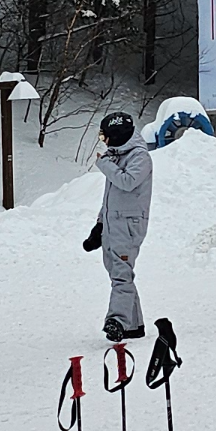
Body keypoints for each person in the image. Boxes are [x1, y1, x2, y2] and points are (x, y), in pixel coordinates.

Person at [84, 111, 155, 340]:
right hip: (112, 223)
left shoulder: (139, 157)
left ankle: (117, 321)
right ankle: (134, 325)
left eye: (104, 137)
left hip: (129, 224)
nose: (103, 142)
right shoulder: (115, 156)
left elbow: (127, 181)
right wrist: (99, 225)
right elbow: (110, 197)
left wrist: (104, 164)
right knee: (118, 272)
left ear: (117, 135)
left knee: (121, 274)